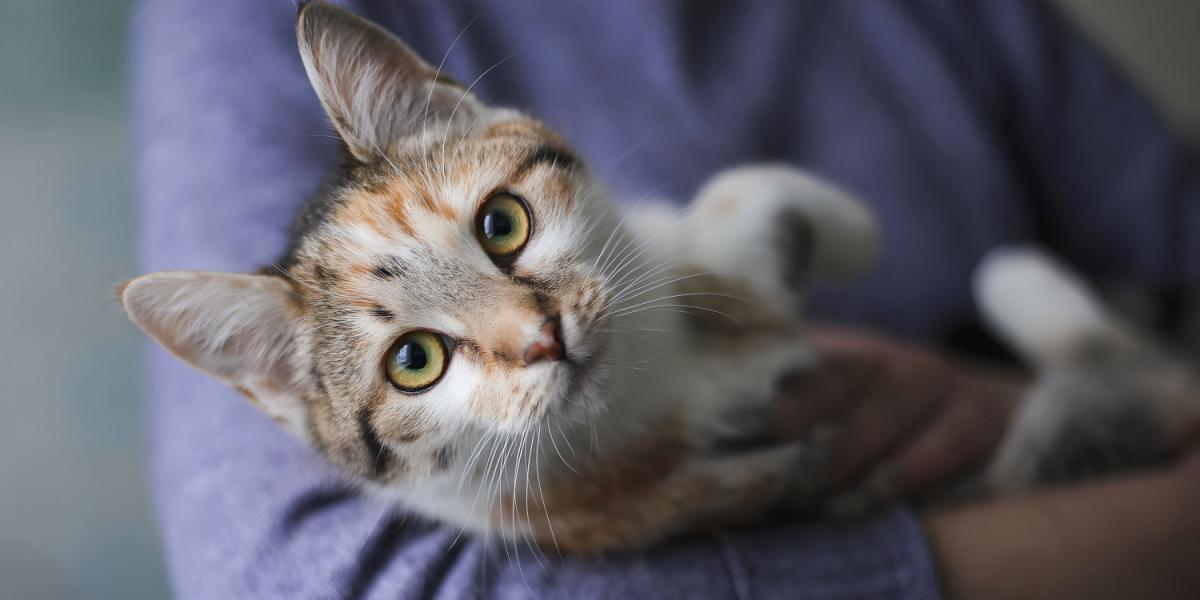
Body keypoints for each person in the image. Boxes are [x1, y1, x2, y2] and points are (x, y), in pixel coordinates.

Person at [132, 0, 1200, 597]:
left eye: (502, 230)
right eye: (418, 357)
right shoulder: (235, 23)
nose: (531, 332)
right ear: (285, 388)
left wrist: (994, 401)